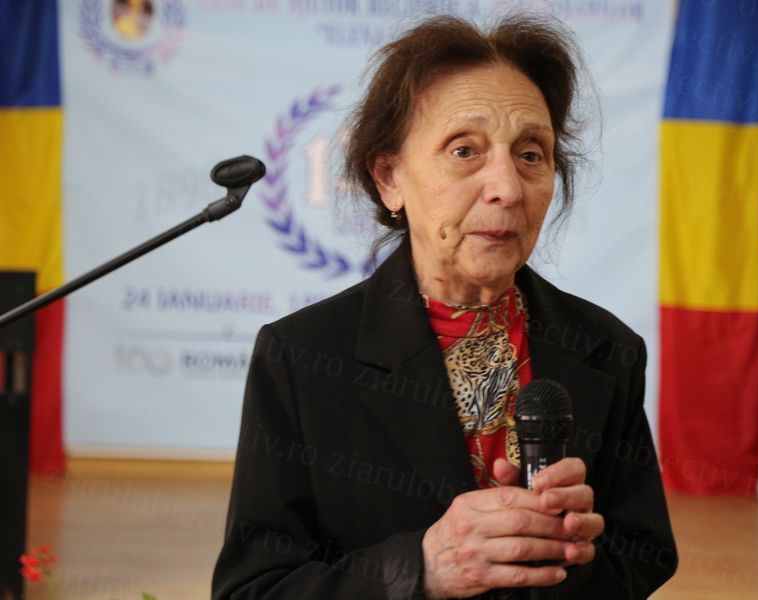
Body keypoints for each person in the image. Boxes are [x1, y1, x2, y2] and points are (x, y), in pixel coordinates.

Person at [212, 15, 677, 599]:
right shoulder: (302, 356)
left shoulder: (606, 349)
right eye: (464, 150)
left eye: (531, 154)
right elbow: (253, 590)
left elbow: (643, 555)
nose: (507, 187)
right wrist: (420, 568)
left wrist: (566, 555)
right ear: (389, 178)